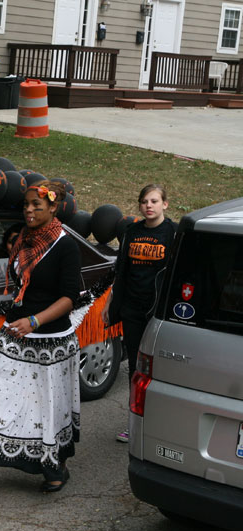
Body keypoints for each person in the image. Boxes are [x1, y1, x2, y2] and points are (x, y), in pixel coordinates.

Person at [0, 180, 81, 502]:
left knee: (49, 407)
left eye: (37, 205)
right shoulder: (22, 239)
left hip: (51, 339)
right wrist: (19, 316)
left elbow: (69, 298)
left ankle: (55, 469)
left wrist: (36, 320)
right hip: (15, 333)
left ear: (53, 208)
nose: (29, 210)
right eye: (26, 205)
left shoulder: (65, 245)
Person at [101, 184, 177, 443]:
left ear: (165, 204)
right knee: (136, 368)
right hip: (132, 308)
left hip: (158, 312)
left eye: (154, 201)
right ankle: (135, 423)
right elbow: (121, 270)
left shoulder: (174, 233)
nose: (149, 206)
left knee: (162, 368)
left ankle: (164, 423)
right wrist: (111, 303)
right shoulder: (132, 231)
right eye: (144, 201)